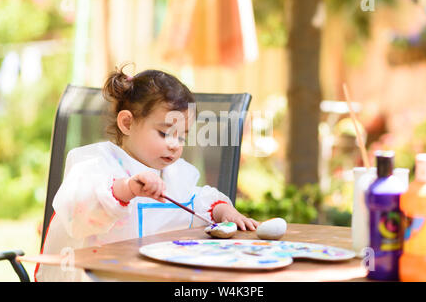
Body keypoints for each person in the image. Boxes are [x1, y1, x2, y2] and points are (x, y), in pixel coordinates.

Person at [34, 67, 259, 281]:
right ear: (127, 123)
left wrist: (223, 211)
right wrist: (127, 189)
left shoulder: (173, 173)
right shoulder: (96, 163)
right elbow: (79, 209)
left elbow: (195, 200)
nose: (174, 145)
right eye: (164, 133)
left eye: (182, 137)